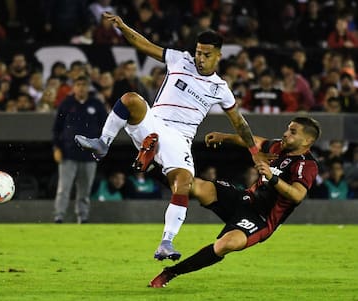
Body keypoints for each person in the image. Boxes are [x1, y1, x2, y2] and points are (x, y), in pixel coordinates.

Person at [75, 12, 263, 261]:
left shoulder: (221, 89)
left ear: (219, 56)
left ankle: (166, 242)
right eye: (198, 52)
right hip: (155, 123)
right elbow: (144, 45)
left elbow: (239, 122)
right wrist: (122, 26)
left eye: (207, 54)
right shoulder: (179, 60)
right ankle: (103, 143)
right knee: (131, 99)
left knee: (184, 181)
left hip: (180, 138)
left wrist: (253, 151)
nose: (200, 58)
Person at [149, 116, 321, 288]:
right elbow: (252, 141)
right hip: (244, 199)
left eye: (292, 132)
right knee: (197, 186)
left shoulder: (306, 165)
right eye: (287, 129)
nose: (285, 134)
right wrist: (225, 137)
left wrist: (272, 177)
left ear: (307, 140)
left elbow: (298, 195)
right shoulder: (277, 147)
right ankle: (151, 166)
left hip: (262, 218)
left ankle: (170, 272)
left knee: (227, 244)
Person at [53, 75, 107, 223]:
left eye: (84, 84)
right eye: (78, 84)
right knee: (64, 188)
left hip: (89, 155)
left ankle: (82, 216)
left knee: (85, 189)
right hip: (68, 153)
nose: (81, 87)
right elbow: (57, 128)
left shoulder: (96, 105)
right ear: (74, 87)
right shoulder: (66, 104)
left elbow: (106, 127)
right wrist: (56, 148)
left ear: (88, 87)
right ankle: (59, 216)